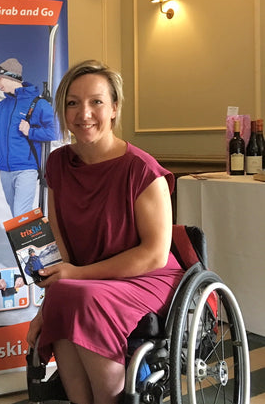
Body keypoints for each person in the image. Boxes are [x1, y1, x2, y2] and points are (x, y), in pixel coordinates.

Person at [26, 60, 185, 404]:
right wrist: (46, 307)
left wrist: (77, 275)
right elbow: (61, 248)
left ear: (114, 109)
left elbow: (154, 255)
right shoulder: (58, 164)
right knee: (68, 294)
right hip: (87, 282)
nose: (84, 113)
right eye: (72, 102)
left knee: (78, 295)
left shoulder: (141, 170)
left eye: (96, 102)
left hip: (144, 277)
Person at [0, 58, 56, 217]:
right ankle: (35, 242)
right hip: (5, 171)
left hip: (26, 169)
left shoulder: (38, 103)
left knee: (20, 214)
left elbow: (54, 131)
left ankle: (30, 242)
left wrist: (31, 132)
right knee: (17, 217)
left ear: (11, 76)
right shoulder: (2, 106)